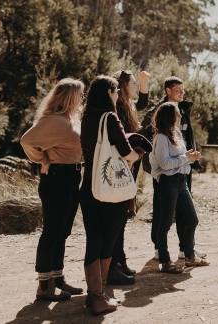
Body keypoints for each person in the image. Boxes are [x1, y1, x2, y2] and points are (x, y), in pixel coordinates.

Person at [79, 75, 142, 315]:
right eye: (116, 92)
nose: (118, 96)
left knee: (92, 240)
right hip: (111, 189)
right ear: (109, 93)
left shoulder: (86, 118)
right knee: (108, 240)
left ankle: (93, 294)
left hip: (89, 187)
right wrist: (137, 152)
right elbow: (127, 153)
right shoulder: (111, 118)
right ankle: (99, 296)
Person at [20, 78, 86, 302]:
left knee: (63, 231)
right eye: (80, 94)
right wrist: (43, 158)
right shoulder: (56, 121)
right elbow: (27, 140)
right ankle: (44, 287)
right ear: (70, 96)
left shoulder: (70, 119)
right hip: (57, 177)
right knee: (52, 232)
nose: (82, 98)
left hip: (71, 176)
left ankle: (58, 279)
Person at [142, 76, 206, 260]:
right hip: (164, 173)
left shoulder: (184, 109)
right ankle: (159, 249)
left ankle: (186, 248)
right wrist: (153, 163)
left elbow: (187, 135)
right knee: (162, 211)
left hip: (184, 167)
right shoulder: (156, 112)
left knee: (185, 211)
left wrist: (189, 157)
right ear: (168, 90)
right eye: (178, 90)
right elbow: (147, 137)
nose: (182, 93)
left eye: (183, 90)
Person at [149, 102, 209, 273]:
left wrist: (190, 157)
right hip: (168, 182)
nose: (180, 116)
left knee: (192, 219)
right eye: (177, 114)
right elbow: (165, 164)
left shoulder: (176, 133)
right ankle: (166, 262)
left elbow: (180, 158)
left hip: (181, 181)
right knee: (166, 223)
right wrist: (186, 157)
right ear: (170, 116)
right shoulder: (160, 138)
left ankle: (189, 256)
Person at [106, 69, 150, 285]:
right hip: (123, 168)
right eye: (133, 83)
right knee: (118, 217)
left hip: (129, 166)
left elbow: (142, 103)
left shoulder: (127, 106)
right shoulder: (120, 110)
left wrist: (143, 82)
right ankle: (113, 264)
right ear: (123, 86)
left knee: (122, 217)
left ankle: (119, 260)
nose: (135, 87)